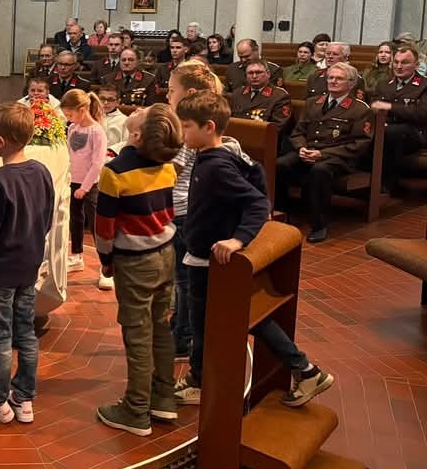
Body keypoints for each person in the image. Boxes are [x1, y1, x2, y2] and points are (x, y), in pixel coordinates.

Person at [173, 92, 335, 409]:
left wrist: (238, 239)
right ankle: (305, 370)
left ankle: (203, 380)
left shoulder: (217, 165)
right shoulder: (217, 154)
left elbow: (258, 202)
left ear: (208, 127)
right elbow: (256, 177)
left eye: (186, 126)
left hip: (210, 260)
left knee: (207, 324)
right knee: (239, 318)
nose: (182, 133)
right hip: (203, 253)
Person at [94, 105, 181, 436]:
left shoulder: (115, 172)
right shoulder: (167, 165)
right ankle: (164, 398)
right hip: (166, 253)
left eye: (143, 113)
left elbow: (104, 226)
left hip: (134, 261)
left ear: (136, 134)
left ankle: (135, 409)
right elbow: (168, 210)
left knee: (138, 335)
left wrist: (105, 259)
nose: (140, 109)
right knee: (161, 327)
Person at [0, 103, 54, 424]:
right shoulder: (42, 171)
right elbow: (46, 219)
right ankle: (24, 397)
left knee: (1, 337)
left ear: (0, 142)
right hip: (28, 268)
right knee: (26, 333)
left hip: (0, 273)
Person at [276, 62, 373, 243]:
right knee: (280, 165)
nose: (333, 81)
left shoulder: (360, 109)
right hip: (308, 151)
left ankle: (319, 225)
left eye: (339, 78)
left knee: (319, 170)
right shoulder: (313, 102)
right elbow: (298, 132)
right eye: (330, 77)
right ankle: (282, 214)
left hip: (339, 158)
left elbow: (360, 144)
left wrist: (323, 154)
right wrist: (301, 148)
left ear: (351, 83)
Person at [164, 62, 223, 358]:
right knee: (180, 277)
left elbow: (171, 170)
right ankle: (180, 326)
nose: (167, 95)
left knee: (184, 279)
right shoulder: (185, 123)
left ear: (187, 93)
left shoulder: (187, 128)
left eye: (171, 90)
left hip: (183, 210)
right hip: (181, 209)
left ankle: (184, 336)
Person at [61, 90, 108, 284]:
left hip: (91, 185)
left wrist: (85, 187)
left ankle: (106, 266)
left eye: (70, 114)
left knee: (96, 225)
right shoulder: (73, 128)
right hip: (73, 181)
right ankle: (76, 255)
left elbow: (97, 163)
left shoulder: (97, 132)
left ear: (82, 110)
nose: (68, 118)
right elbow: (69, 154)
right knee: (75, 220)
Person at [371, 45, 427, 195]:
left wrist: (390, 107)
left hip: (416, 132)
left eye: (405, 62)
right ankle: (368, 179)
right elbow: (374, 106)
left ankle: (386, 183)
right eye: (396, 62)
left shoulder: (424, 85)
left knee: (391, 133)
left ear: (417, 65)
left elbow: (422, 114)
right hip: (385, 128)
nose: (399, 66)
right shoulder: (384, 84)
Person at [230, 59, 292, 131]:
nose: (254, 76)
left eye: (259, 72)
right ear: (246, 75)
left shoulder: (279, 96)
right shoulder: (237, 94)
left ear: (268, 74)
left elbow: (277, 128)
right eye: (250, 73)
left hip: (263, 136)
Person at [98, 84, 129, 151]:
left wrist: (111, 151)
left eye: (110, 99)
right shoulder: (90, 116)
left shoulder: (125, 120)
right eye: (102, 98)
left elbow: (127, 142)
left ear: (118, 102)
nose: (105, 103)